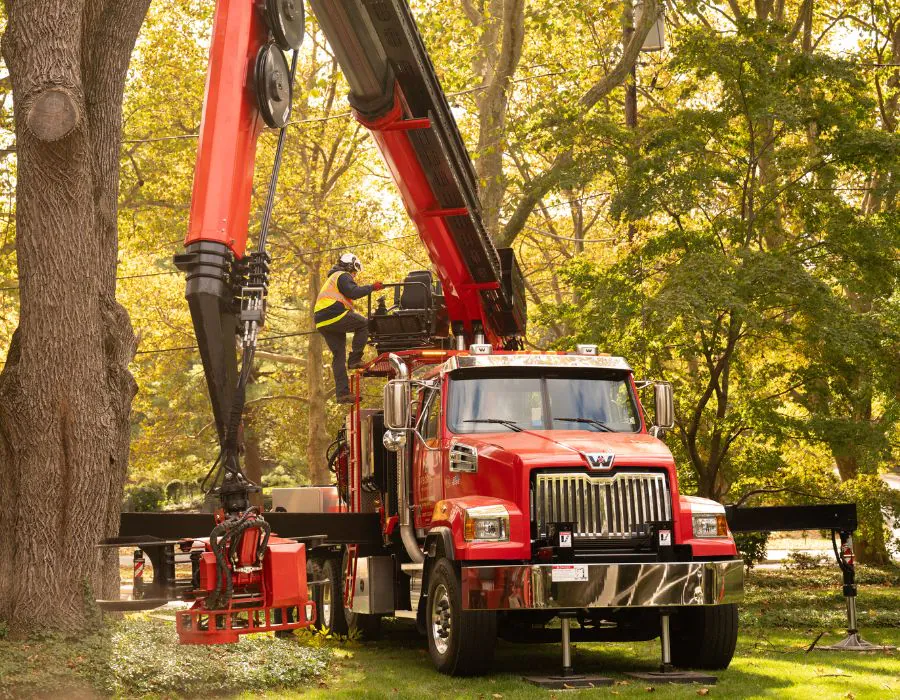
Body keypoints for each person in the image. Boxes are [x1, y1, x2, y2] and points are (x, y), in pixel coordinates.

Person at [314, 253, 383, 403]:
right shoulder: (342, 275)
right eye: (354, 271)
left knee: (338, 356)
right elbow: (353, 292)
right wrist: (372, 287)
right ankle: (355, 359)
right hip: (333, 313)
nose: (354, 275)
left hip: (322, 321)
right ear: (350, 266)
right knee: (364, 323)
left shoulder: (333, 279)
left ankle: (343, 394)